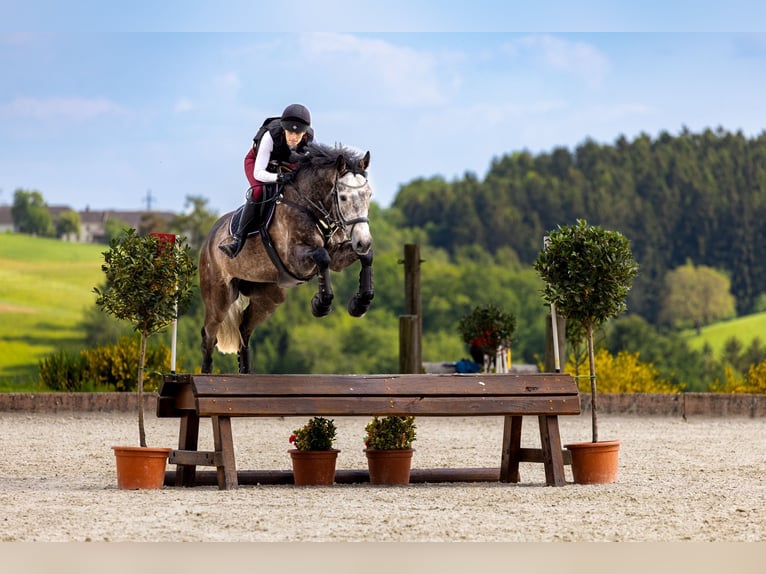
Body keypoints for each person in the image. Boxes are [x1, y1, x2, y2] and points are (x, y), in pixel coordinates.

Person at [218, 103, 315, 258]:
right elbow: (259, 173)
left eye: (299, 134)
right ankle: (237, 239)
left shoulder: (309, 140)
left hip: (284, 164)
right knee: (259, 191)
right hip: (257, 164)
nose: (294, 137)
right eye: (290, 132)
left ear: (304, 133)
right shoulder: (270, 136)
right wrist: (279, 177)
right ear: (284, 129)